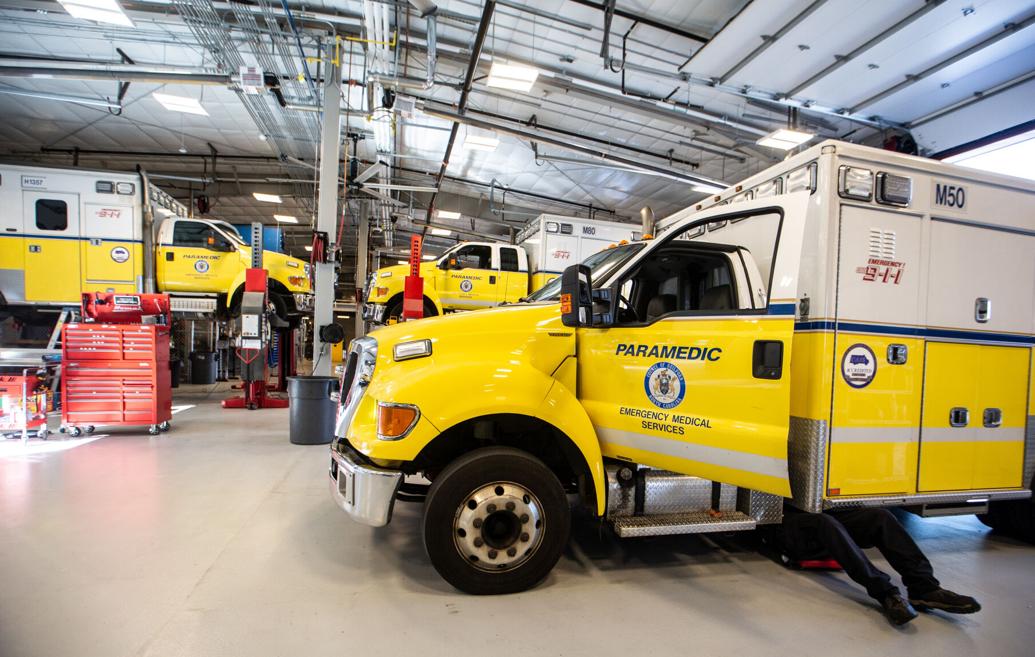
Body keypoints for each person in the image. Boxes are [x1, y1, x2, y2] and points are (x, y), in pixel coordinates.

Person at [779, 507, 981, 626]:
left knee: (880, 517)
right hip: (780, 518)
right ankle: (886, 594)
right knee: (825, 523)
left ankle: (924, 588)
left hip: (819, 508)